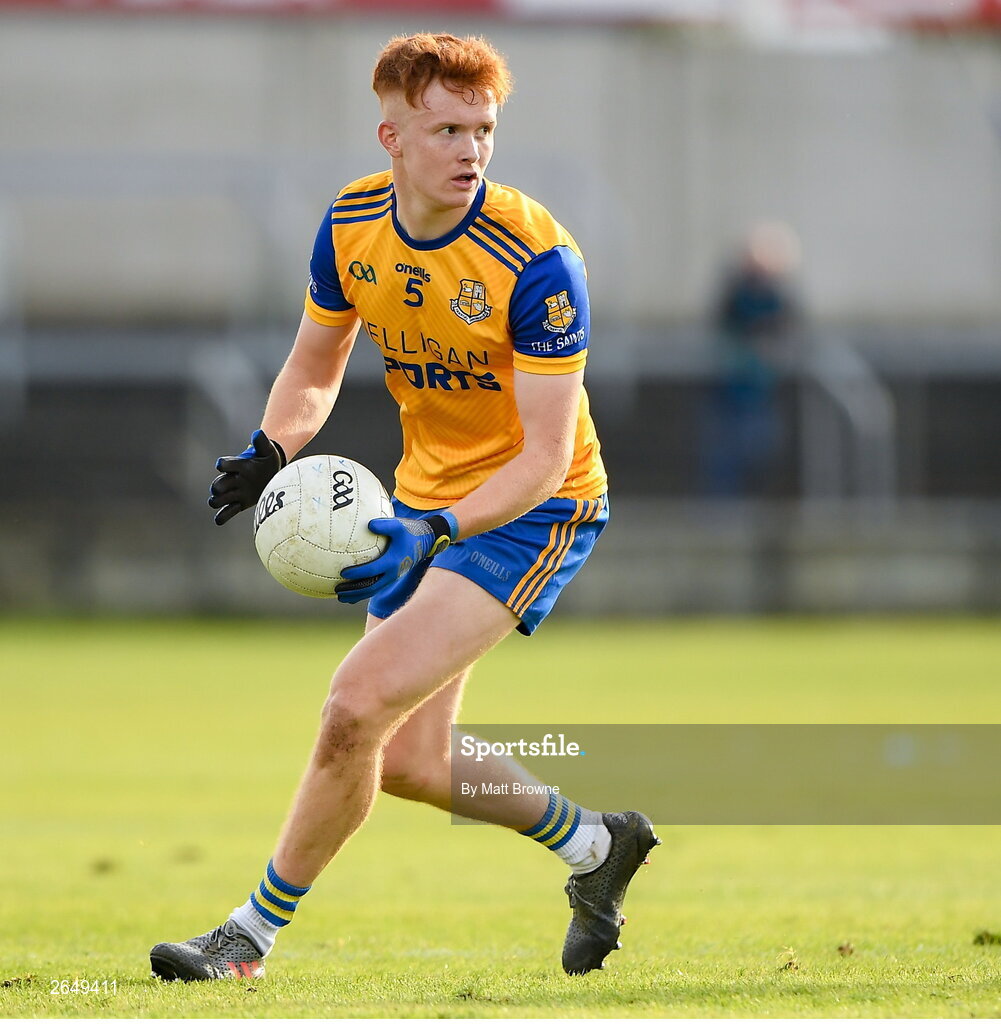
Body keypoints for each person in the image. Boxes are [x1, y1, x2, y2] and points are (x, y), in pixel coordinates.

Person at [149, 32, 658, 983]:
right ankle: (596, 847)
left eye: (484, 130)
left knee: (354, 706)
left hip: (534, 511)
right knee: (412, 760)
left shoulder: (538, 257)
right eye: (446, 130)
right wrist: (272, 447)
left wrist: (438, 528)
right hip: (424, 501)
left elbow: (546, 457)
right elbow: (314, 363)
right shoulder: (349, 227)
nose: (470, 151)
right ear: (391, 135)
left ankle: (245, 939)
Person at [700, 221, 801, 497]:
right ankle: (722, 513)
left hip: (763, 393)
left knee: (761, 454)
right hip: (730, 393)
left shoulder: (780, 298)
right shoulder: (736, 294)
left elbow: (788, 336)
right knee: (725, 454)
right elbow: (722, 332)